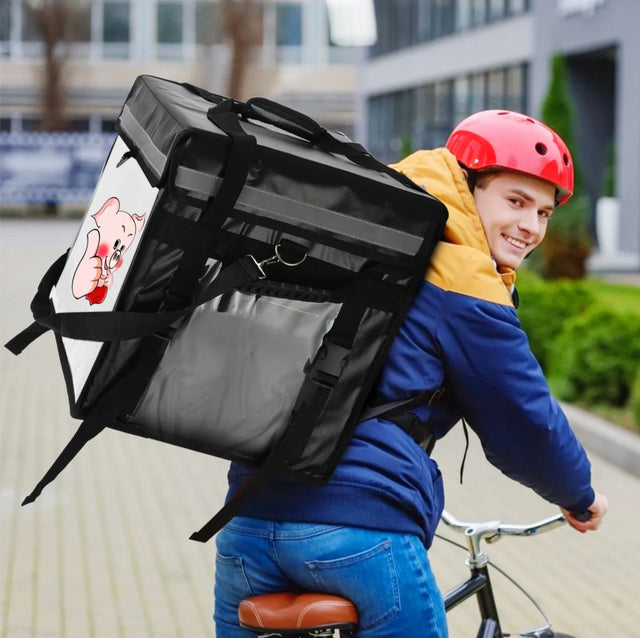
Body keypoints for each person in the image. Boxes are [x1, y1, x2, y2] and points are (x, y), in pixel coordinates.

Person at [213, 110, 609, 638]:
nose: (531, 227)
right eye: (515, 202)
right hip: (359, 529)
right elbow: (524, 416)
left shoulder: (362, 238)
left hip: (246, 521)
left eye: (543, 212)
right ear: (466, 186)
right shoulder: (463, 279)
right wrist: (580, 494)